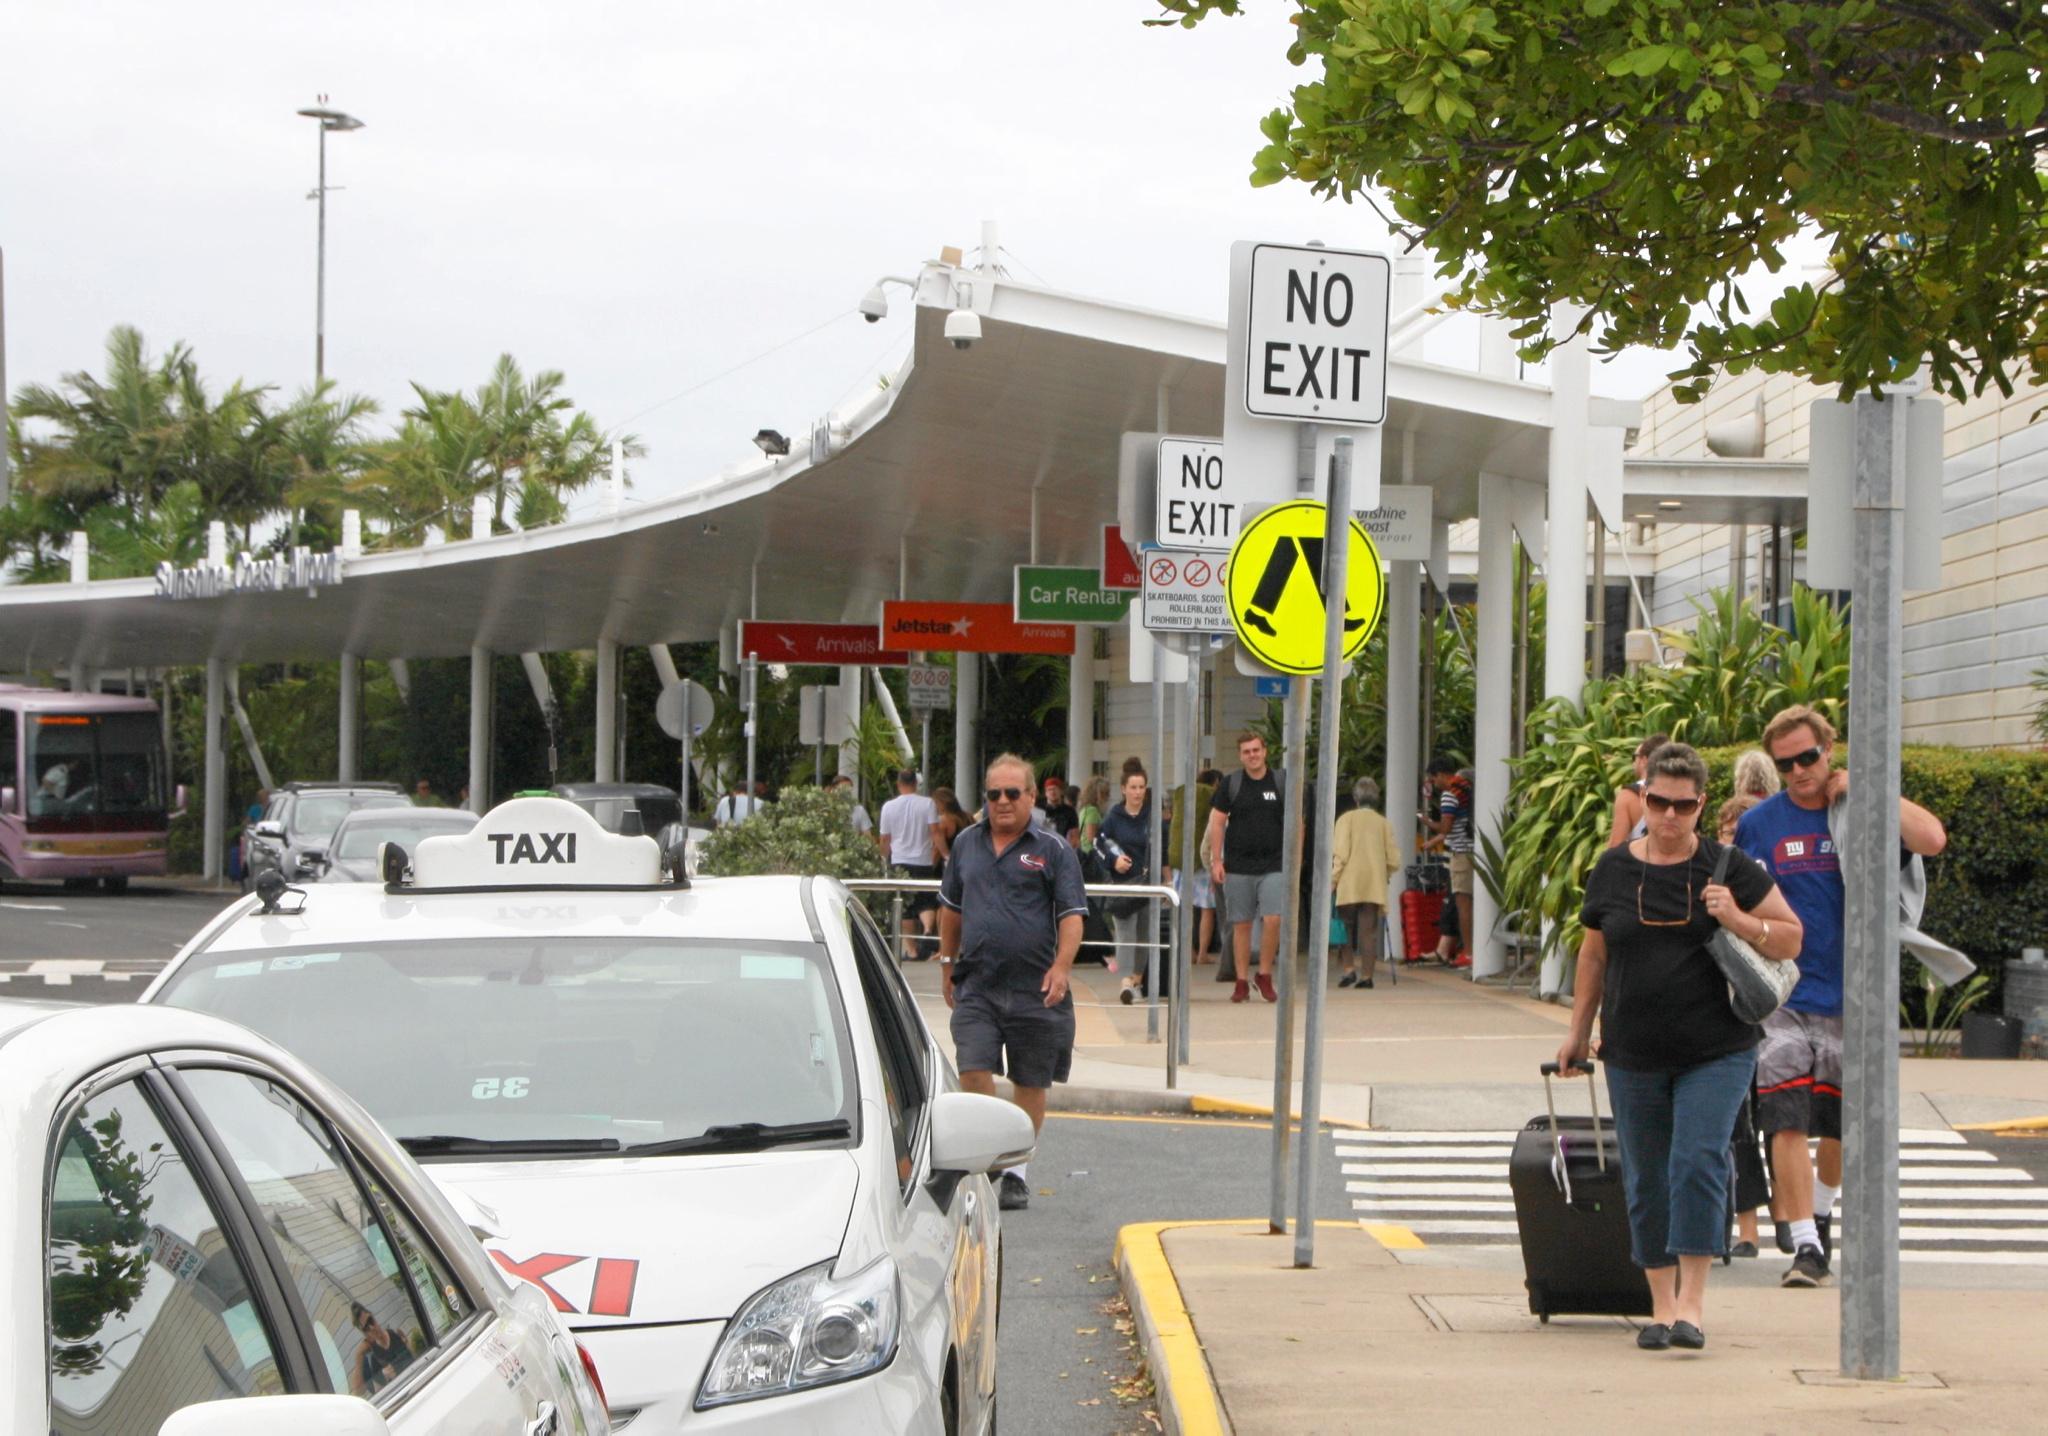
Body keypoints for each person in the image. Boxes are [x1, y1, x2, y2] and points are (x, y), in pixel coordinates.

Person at [1557, 741, 1804, 1351]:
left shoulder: (1728, 867)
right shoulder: (1614, 868)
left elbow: (1792, 937)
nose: (1670, 817)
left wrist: (1739, 920)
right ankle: (1660, 1306)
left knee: (1696, 1161)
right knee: (1645, 1176)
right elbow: (1593, 953)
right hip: (1631, 1049)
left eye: (1684, 806)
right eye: (1659, 803)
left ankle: (1692, 1305)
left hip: (1716, 1048)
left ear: (1701, 805)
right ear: (1643, 799)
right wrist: (1575, 1033)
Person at [1735, 704, 1948, 1288]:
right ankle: (1804, 1244)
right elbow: (1746, 900)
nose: (1800, 771)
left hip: (1853, 994)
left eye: (1808, 757)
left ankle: (1822, 1212)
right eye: (1786, 764)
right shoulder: (1762, 825)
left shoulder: (1858, 809)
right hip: (1784, 991)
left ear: (1829, 749)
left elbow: (1931, 838)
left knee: (1839, 1122)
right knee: (1783, 1117)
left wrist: (1870, 790)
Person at [938, 754, 1088, 1212]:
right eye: (993, 794)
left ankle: (1016, 1171)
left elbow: (1072, 916)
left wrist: (1061, 967)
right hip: (978, 984)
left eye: (1012, 793)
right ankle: (993, 1158)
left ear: (1031, 797)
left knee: (1030, 1080)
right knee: (973, 1070)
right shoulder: (966, 844)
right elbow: (950, 908)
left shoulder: (1053, 850)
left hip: (1036, 988)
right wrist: (947, 963)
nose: (1002, 802)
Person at [1717, 791, 1772, 1259]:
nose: (1733, 843)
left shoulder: (1761, 885)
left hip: (1762, 1012)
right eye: (1728, 833)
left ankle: (1789, 1220)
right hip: (1723, 1015)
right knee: (1737, 1124)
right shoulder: (1710, 877)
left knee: (1767, 1122)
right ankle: (1743, 1227)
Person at [1207, 732, 1292, 1004]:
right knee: (1241, 924)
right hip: (1238, 865)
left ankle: (1264, 973)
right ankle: (1241, 980)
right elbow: (1217, 822)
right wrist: (1216, 860)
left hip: (1274, 863)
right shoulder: (1231, 784)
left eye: (1256, 750)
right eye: (1246, 751)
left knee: (1273, 918)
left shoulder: (1281, 782)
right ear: (1240, 755)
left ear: (1265, 751)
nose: (1252, 755)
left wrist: (1295, 859)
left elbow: (1296, 821)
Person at [1330, 778, 1401, 990]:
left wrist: (1333, 880)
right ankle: (1367, 976)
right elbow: (1394, 860)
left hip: (1348, 881)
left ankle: (1348, 969)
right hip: (1374, 883)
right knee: (1368, 931)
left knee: (1344, 927)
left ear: (1355, 798)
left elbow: (1340, 853)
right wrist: (1384, 873)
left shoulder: (1346, 819)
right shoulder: (1383, 823)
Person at [1100, 770, 1155, 1004]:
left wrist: (1165, 878)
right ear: (1123, 789)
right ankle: (1125, 982)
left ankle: (1136, 982)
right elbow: (1099, 844)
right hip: (1122, 884)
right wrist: (1115, 861)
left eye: (1141, 787)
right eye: (1133, 787)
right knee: (1125, 933)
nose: (1137, 792)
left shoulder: (1152, 816)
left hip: (1147, 884)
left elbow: (1160, 848)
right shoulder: (1113, 816)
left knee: (1143, 935)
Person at [878, 769, 943, 960]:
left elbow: (884, 838)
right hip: (923, 860)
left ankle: (913, 950)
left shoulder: (888, 807)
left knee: (905, 906)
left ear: (899, 784)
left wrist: (883, 859)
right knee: (925, 901)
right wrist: (945, 853)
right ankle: (928, 928)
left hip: (899, 860)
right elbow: (935, 831)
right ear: (916, 784)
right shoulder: (928, 804)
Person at [1166, 767, 1222, 964]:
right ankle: (1202, 954)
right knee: (1207, 908)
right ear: (1216, 782)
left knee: (1185, 906)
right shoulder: (1212, 795)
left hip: (1180, 857)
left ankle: (1188, 951)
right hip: (1202, 857)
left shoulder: (1182, 792)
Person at [1424, 757, 1474, 967]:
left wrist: (1426, 822)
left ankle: (1469, 952)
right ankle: (1470, 950)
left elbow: (1445, 828)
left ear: (1442, 775)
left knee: (1462, 903)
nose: (1434, 784)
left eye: (1434, 780)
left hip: (1460, 852)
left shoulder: (1449, 795)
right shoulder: (1466, 787)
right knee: (1470, 903)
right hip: (1474, 849)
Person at [1606, 732, 1673, 848]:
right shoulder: (1683, 792)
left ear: (1644, 759)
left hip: (1640, 863)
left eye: (1635, 757)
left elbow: (1616, 845)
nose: (1633, 762)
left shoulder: (1628, 795)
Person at [351, 1302, 415, 1395]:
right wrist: (359, 1355)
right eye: (366, 1328)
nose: (372, 1327)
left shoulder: (397, 1333)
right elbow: (358, 1392)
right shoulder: (373, 1358)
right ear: (365, 1334)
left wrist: (409, 1344)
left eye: (370, 1320)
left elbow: (418, 1354)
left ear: (373, 1317)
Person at [827, 774, 876, 843]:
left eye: (850, 788)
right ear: (834, 790)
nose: (847, 791)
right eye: (844, 788)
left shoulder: (859, 810)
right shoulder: (826, 810)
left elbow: (867, 836)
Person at [1073, 774, 1111, 852]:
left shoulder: (1085, 809)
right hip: (1091, 853)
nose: (1108, 796)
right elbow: (1091, 837)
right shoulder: (1092, 811)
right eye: (1106, 793)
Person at [1036, 775, 1079, 841]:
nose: (1052, 792)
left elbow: (1074, 833)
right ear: (1046, 793)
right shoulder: (1039, 810)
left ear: (1061, 791)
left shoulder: (1070, 811)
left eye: (1055, 789)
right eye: (1049, 789)